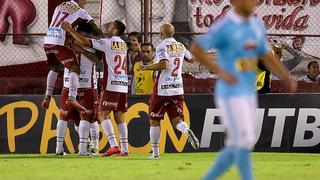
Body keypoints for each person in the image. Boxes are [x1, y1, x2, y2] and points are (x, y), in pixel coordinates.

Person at [190, 0, 297, 179]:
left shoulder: (256, 25)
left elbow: (264, 54)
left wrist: (286, 76)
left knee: (238, 143)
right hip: (231, 92)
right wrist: (221, 72)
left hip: (248, 91)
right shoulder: (225, 26)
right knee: (244, 140)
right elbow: (197, 48)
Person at [62, 20, 130, 156]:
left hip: (111, 84)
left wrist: (70, 30)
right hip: (123, 84)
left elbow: (86, 42)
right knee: (119, 117)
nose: (107, 29)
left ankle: (114, 145)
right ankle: (125, 149)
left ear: (115, 31)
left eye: (110, 27)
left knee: (101, 114)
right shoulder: (123, 44)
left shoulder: (107, 43)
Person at [139, 23, 199, 160]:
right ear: (173, 33)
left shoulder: (161, 46)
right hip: (177, 88)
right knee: (177, 120)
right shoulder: (181, 46)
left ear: (161, 34)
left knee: (154, 120)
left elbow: (164, 64)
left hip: (162, 89)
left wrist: (146, 68)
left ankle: (155, 154)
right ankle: (186, 130)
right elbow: (192, 59)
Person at [41, 0, 103, 113]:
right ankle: (72, 97)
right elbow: (94, 27)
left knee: (55, 68)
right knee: (74, 68)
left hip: (47, 41)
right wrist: (102, 36)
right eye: (85, 1)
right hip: (60, 41)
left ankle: (47, 97)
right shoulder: (81, 11)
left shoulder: (59, 6)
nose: (85, 2)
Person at [56, 22, 101, 156]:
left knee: (66, 117)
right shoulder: (92, 45)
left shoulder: (67, 44)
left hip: (70, 85)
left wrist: (79, 49)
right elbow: (96, 59)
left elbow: (96, 59)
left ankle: (84, 148)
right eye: (86, 35)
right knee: (85, 118)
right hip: (85, 87)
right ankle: (82, 149)